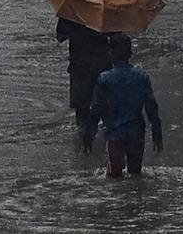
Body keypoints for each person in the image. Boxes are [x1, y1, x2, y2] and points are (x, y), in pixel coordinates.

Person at [82, 33, 163, 177]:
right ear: (130, 53)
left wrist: (88, 138)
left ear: (110, 53)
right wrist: (157, 135)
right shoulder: (141, 76)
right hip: (137, 133)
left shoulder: (104, 79)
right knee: (135, 175)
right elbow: (152, 108)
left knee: (115, 177)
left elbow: (95, 111)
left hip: (115, 133)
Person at [56, 17, 114, 132]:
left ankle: (83, 145)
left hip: (79, 67)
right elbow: (116, 35)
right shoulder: (106, 12)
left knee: (82, 110)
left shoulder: (71, 10)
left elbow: (60, 36)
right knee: (106, 108)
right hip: (102, 65)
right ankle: (108, 144)